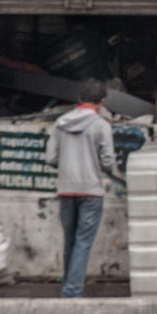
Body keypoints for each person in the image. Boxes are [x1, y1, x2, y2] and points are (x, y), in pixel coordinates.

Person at [45, 79, 119, 299]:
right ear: (102, 101)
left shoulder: (60, 123)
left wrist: (68, 164)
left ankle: (69, 288)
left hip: (66, 190)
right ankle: (72, 292)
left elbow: (50, 158)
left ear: (79, 99)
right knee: (83, 242)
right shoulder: (101, 125)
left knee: (70, 240)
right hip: (91, 190)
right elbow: (108, 161)